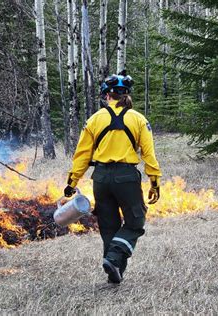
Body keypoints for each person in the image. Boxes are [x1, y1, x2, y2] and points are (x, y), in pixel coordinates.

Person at [64, 72, 162, 284]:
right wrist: (154, 182)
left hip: (100, 178)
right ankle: (114, 259)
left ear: (106, 96)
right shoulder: (138, 119)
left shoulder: (94, 120)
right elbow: (148, 154)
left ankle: (115, 272)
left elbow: (81, 155)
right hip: (126, 177)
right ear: (126, 95)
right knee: (136, 221)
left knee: (109, 226)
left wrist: (71, 183)